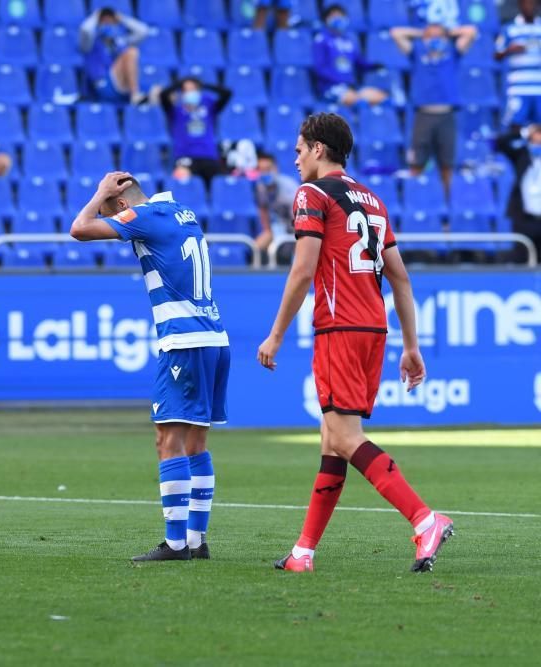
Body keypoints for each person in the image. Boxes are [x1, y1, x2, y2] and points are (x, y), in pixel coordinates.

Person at [256, 113, 453, 574]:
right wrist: (411, 346)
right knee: (332, 442)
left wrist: (276, 333)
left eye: (300, 148)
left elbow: (303, 270)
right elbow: (400, 278)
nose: (296, 156)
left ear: (319, 149)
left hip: (339, 327)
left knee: (345, 437)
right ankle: (303, 553)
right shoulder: (373, 200)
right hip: (374, 330)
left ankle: (425, 520)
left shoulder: (312, 194)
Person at [70, 172, 230, 562]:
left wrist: (99, 194)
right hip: (214, 339)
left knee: (167, 440)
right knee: (196, 442)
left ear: (123, 206)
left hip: (184, 341)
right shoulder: (181, 211)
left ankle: (176, 545)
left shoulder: (143, 216)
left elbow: (80, 229)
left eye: (113, 211)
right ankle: (196, 540)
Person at [391, 23, 478, 196]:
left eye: (439, 36)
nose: (435, 39)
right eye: (431, 36)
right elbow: (396, 32)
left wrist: (448, 33)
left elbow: (471, 31)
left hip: (447, 115)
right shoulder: (417, 52)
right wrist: (422, 33)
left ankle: (446, 211)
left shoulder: (452, 53)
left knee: (447, 166)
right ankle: (415, 201)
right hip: (423, 115)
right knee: (417, 165)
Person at [158, 77, 232, 188]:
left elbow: (227, 93)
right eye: (186, 90)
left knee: (216, 188)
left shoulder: (209, 107)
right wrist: (178, 84)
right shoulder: (175, 110)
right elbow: (163, 95)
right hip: (184, 155)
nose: (190, 92)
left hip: (208, 155)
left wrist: (205, 85)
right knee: (182, 186)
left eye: (193, 89)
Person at [312, 4, 387, 107]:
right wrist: (339, 79)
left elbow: (359, 62)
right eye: (334, 16)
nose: (338, 19)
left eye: (340, 16)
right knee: (358, 101)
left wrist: (373, 66)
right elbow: (320, 68)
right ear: (326, 19)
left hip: (350, 87)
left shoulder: (348, 41)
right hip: (330, 88)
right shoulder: (321, 39)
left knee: (381, 98)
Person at [79, 7, 150, 105]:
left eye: (110, 20)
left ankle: (136, 95)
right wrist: (96, 15)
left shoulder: (119, 41)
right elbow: (85, 30)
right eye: (104, 21)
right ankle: (135, 94)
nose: (108, 24)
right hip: (103, 85)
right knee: (131, 52)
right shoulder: (90, 42)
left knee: (157, 92)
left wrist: (122, 18)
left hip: (120, 85)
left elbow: (144, 31)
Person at [495, 123, 541, 263]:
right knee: (522, 256)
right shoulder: (522, 155)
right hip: (524, 217)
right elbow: (500, 143)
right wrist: (523, 132)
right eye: (537, 135)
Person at [495, 0, 541, 128]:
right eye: (526, 3)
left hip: (539, 87)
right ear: (520, 5)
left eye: (532, 3)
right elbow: (496, 54)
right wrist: (509, 50)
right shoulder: (510, 29)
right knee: (515, 126)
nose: (529, 7)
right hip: (518, 88)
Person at [253, 150, 298, 255]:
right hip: (278, 227)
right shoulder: (260, 187)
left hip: (297, 228)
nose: (265, 173)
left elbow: (299, 222)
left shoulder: (289, 189)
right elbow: (263, 208)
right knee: (256, 247)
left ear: (275, 168)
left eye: (268, 169)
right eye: (261, 170)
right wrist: (268, 231)